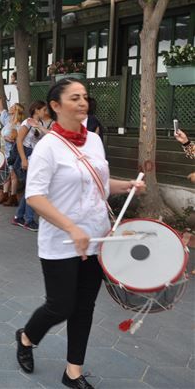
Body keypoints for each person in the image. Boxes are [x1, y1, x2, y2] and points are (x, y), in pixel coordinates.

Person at [15, 79, 145, 388]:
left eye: (85, 97)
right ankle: (26, 337)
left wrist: (125, 185)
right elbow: (34, 197)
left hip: (97, 238)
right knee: (60, 305)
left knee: (84, 307)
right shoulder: (48, 146)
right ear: (56, 106)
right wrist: (72, 228)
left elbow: (96, 180)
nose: (83, 102)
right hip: (61, 241)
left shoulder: (94, 141)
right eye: (75, 98)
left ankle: (73, 371)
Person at [12, 101, 51, 231]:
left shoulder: (39, 124)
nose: (45, 112)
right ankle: (28, 220)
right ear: (36, 110)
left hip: (34, 156)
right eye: (43, 109)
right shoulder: (27, 123)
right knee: (32, 189)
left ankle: (19, 217)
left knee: (30, 188)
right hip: (27, 155)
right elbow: (19, 140)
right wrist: (23, 159)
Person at [0, 100, 25, 206]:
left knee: (13, 175)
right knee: (6, 174)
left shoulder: (18, 125)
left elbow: (15, 140)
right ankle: (5, 194)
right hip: (5, 151)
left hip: (12, 153)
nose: (10, 107)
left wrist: (6, 138)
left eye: (13, 107)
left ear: (16, 110)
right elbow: (1, 111)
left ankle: (13, 196)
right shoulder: (9, 121)